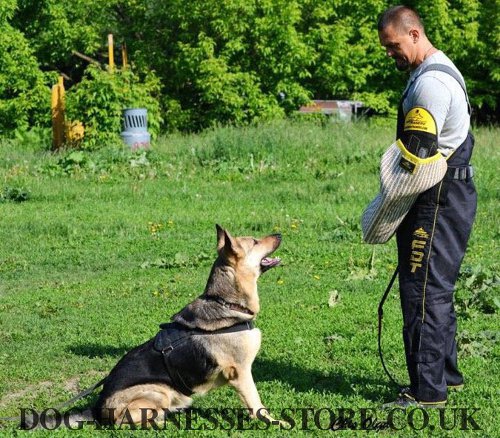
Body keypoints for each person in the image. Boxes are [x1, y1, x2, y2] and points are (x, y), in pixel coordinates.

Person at [377, 5, 477, 407]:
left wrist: (389, 206)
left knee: (422, 292)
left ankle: (427, 391)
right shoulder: (439, 70)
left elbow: (417, 159)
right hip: (451, 194)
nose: (390, 54)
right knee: (436, 288)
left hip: (435, 198)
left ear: (414, 34)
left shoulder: (429, 86)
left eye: (394, 45)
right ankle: (446, 375)